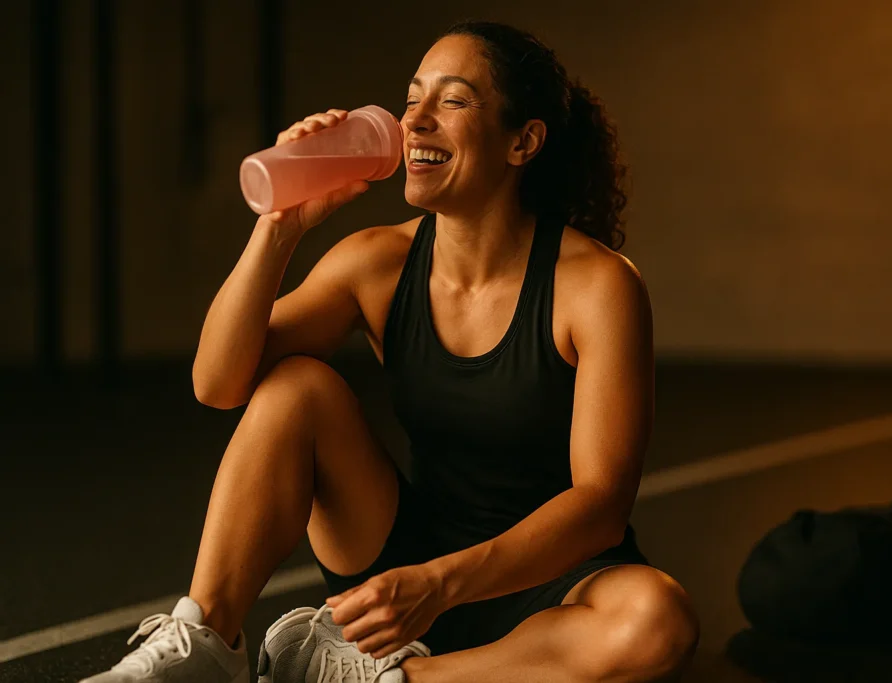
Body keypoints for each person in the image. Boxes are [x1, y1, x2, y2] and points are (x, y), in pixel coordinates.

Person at [81, 19, 699, 683]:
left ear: (523, 141)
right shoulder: (377, 263)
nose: (416, 121)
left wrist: (440, 584)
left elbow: (602, 505)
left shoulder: (597, 286)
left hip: (545, 581)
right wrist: (279, 226)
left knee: (657, 619)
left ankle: (386, 677)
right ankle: (205, 645)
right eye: (412, 99)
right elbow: (219, 382)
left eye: (453, 101)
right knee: (295, 387)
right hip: (401, 565)